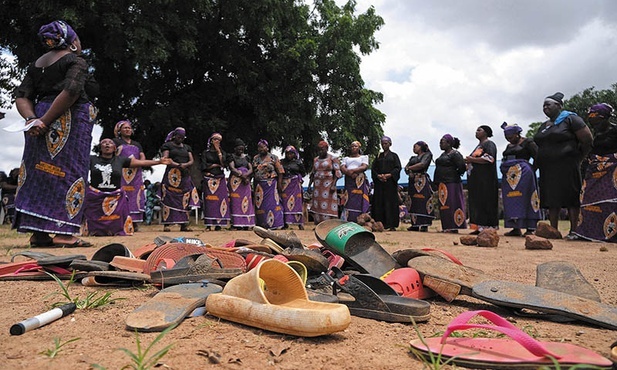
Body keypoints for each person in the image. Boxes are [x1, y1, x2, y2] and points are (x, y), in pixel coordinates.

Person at [12, 20, 97, 248]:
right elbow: (70, 92)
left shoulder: (37, 64)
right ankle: (64, 234)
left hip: (39, 119)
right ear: (71, 41)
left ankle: (38, 234)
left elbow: (22, 95)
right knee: (70, 172)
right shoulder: (76, 61)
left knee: (38, 174)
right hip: (68, 118)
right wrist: (46, 120)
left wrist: (32, 119)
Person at [534, 92, 593, 239]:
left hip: (567, 165)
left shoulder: (571, 119)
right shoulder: (544, 125)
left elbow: (587, 140)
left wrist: (578, 158)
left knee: (571, 196)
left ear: (559, 106)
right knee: (551, 198)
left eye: (548, 104)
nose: (545, 107)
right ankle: (553, 230)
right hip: (548, 168)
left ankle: (574, 230)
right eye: (543, 105)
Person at [83, 138, 169, 236]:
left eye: (110, 143)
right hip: (96, 197)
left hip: (115, 196)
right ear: (100, 147)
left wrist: (159, 162)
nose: (107, 144)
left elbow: (141, 163)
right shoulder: (92, 159)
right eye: (104, 143)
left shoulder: (120, 160)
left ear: (115, 148)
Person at [574, 103, 617, 242]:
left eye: (597, 121)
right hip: (595, 170)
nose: (594, 125)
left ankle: (610, 234)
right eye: (591, 122)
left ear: (605, 118)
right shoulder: (597, 134)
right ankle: (587, 233)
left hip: (613, 171)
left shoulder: (615, 130)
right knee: (588, 199)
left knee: (611, 201)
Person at [499, 122, 541, 236]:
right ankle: (515, 228)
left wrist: (532, 169)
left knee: (527, 198)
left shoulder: (528, 142)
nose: (509, 140)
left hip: (525, 175)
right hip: (510, 177)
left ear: (517, 134)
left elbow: (538, 156)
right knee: (511, 200)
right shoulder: (508, 146)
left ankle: (530, 228)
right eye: (506, 138)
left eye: (511, 137)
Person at [159, 127, 200, 232]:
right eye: (178, 136)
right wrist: (177, 165)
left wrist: (184, 165)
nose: (180, 139)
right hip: (171, 175)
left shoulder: (187, 147)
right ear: (174, 136)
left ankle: (184, 224)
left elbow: (191, 160)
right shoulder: (167, 145)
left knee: (185, 198)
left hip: (184, 175)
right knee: (168, 197)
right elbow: (165, 158)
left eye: (182, 137)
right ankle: (167, 224)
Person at [465, 125, 499, 234]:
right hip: (476, 181)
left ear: (486, 132)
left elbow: (490, 158)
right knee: (476, 203)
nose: (476, 132)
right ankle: (478, 227)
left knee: (486, 202)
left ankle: (488, 228)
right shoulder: (478, 147)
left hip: (486, 181)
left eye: (479, 130)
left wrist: (472, 160)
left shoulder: (489, 144)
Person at [113, 120, 146, 231]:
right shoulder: (115, 142)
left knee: (136, 197)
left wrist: (141, 163)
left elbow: (142, 157)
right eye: (125, 128)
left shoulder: (137, 144)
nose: (128, 130)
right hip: (121, 173)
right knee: (121, 195)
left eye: (129, 128)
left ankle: (135, 223)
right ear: (119, 130)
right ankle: (121, 221)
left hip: (136, 174)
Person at [434, 134, 467, 233]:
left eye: (442, 142)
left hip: (452, 183)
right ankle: (447, 226)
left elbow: (461, 166)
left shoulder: (455, 154)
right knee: (444, 206)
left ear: (449, 143)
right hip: (442, 183)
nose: (440, 144)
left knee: (453, 204)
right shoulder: (443, 155)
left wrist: (454, 174)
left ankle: (454, 226)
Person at [371, 136, 402, 231]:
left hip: (390, 184)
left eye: (386, 143)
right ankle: (380, 223)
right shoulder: (378, 156)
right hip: (380, 184)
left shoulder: (394, 156)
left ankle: (391, 224)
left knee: (390, 203)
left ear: (390, 144)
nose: (384, 145)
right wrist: (378, 176)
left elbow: (398, 168)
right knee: (379, 202)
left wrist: (389, 175)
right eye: (382, 144)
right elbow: (373, 168)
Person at [252, 139, 285, 229]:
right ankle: (262, 224)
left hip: (271, 184)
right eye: (259, 147)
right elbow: (253, 171)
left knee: (272, 204)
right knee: (260, 205)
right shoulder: (256, 158)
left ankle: (275, 224)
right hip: (259, 185)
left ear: (267, 147)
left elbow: (280, 171)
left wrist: (279, 184)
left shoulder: (273, 158)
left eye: (263, 147)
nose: (261, 149)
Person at [201, 133, 230, 231]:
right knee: (210, 201)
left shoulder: (222, 152)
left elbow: (223, 164)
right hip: (209, 178)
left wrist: (218, 152)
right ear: (211, 140)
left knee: (220, 201)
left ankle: (219, 224)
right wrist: (213, 166)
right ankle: (208, 224)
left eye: (219, 140)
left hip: (220, 178)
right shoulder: (206, 153)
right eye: (216, 139)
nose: (217, 141)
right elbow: (204, 166)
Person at [309, 140, 342, 224]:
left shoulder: (333, 158)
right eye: (319, 149)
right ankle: (319, 224)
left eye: (322, 149)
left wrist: (334, 185)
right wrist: (309, 185)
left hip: (329, 184)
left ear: (327, 148)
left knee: (328, 203)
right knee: (318, 204)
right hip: (317, 186)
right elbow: (313, 173)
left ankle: (329, 224)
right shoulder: (316, 160)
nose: (320, 151)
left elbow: (337, 173)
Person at [404, 141, 434, 232]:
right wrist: (409, 171)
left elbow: (422, 164)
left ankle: (425, 224)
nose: (413, 148)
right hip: (412, 181)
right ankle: (415, 224)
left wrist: (410, 168)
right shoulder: (413, 158)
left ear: (421, 147)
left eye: (415, 146)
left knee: (423, 201)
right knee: (413, 201)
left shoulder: (427, 155)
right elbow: (406, 168)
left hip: (422, 180)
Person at [340, 141, 370, 223]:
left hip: (359, 179)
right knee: (348, 198)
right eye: (352, 146)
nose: (353, 148)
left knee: (359, 197)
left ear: (359, 148)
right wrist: (348, 172)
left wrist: (353, 171)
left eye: (355, 146)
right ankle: (348, 219)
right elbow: (342, 167)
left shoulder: (364, 157)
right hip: (349, 180)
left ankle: (360, 218)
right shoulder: (346, 158)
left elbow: (364, 166)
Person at [228, 138, 255, 230]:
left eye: (242, 148)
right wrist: (241, 175)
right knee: (236, 201)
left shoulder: (247, 157)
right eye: (239, 148)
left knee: (247, 201)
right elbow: (232, 168)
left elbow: (251, 168)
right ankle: (236, 223)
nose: (240, 150)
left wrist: (246, 176)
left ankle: (247, 223)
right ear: (235, 149)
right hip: (235, 182)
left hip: (245, 182)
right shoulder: (231, 157)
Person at [280, 145, 306, 230]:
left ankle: (299, 223)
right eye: (287, 154)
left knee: (297, 203)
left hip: (295, 185)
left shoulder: (298, 162)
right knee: (284, 203)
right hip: (285, 185)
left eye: (291, 153)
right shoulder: (282, 162)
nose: (289, 155)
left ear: (294, 154)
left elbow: (303, 173)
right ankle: (285, 223)